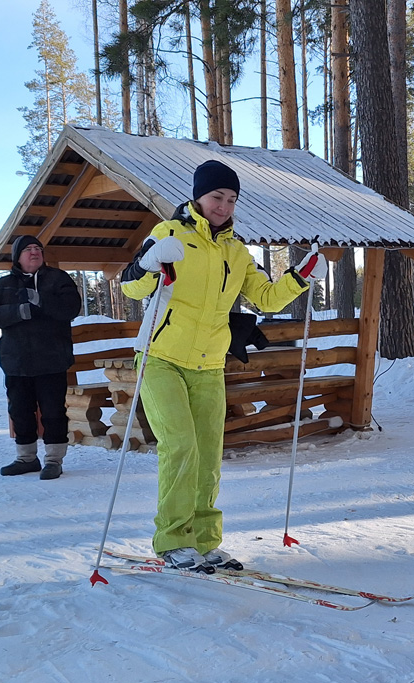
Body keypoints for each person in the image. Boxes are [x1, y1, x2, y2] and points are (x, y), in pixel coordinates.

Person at [120, 159, 327, 573]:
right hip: (161, 359)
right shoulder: (168, 233)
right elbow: (131, 285)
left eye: (232, 199)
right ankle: (174, 541)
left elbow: (265, 298)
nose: (224, 206)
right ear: (199, 195)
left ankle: (204, 541)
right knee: (180, 447)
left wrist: (300, 277)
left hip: (210, 364)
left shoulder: (235, 250)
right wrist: (149, 262)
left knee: (209, 455)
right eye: (217, 196)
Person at [0, 235, 82, 480]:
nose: (34, 252)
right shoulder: (3, 284)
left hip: (52, 359)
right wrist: (19, 311)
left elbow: (71, 308)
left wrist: (42, 301)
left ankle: (54, 460)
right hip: (16, 361)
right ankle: (26, 458)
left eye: (38, 248)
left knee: (53, 412)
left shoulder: (58, 279)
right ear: (17, 256)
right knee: (20, 412)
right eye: (28, 249)